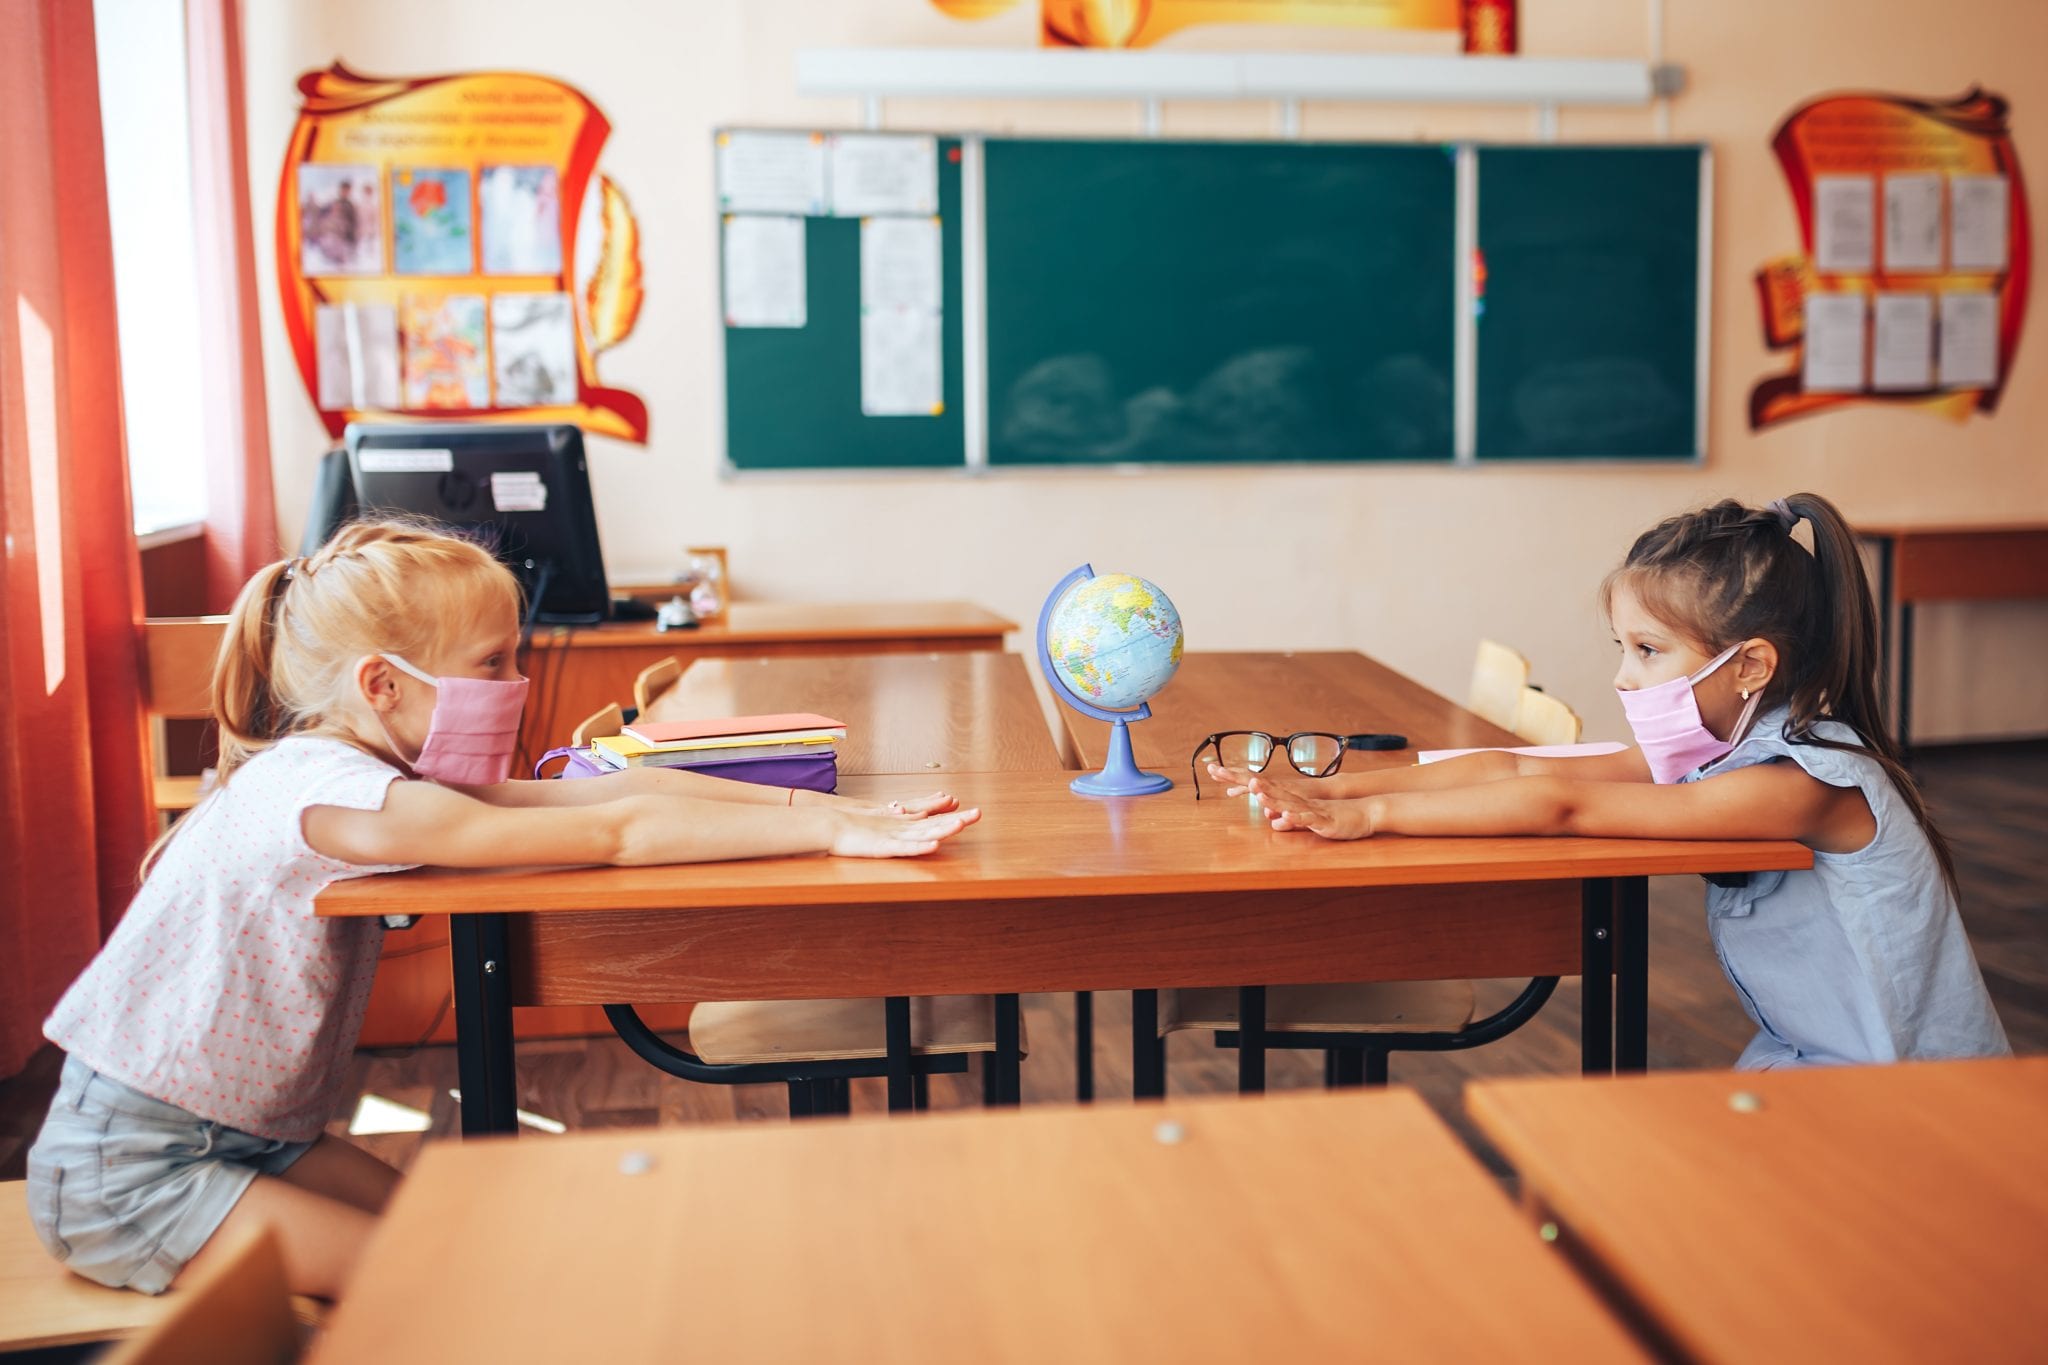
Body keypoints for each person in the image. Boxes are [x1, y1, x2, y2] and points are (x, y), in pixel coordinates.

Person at [26, 520, 977, 1300]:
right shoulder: (324, 787)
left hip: (252, 1141)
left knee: (462, 1246)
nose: (513, 687)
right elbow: (614, 834)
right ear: (382, 685)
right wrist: (826, 839)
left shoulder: (378, 773)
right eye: (491, 663)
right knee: (435, 1284)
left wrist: (828, 810)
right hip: (135, 1171)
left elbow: (591, 796)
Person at [1215, 492, 2009, 1070]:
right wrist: (1334, 789)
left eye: (1650, 650)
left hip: (1908, 1085)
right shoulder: (1716, 748)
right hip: (1806, 1055)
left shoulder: (1805, 780)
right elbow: (1522, 766)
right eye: (1622, 648)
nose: (1626, 679)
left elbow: (1561, 804)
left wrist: (1368, 820)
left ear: (1752, 666)